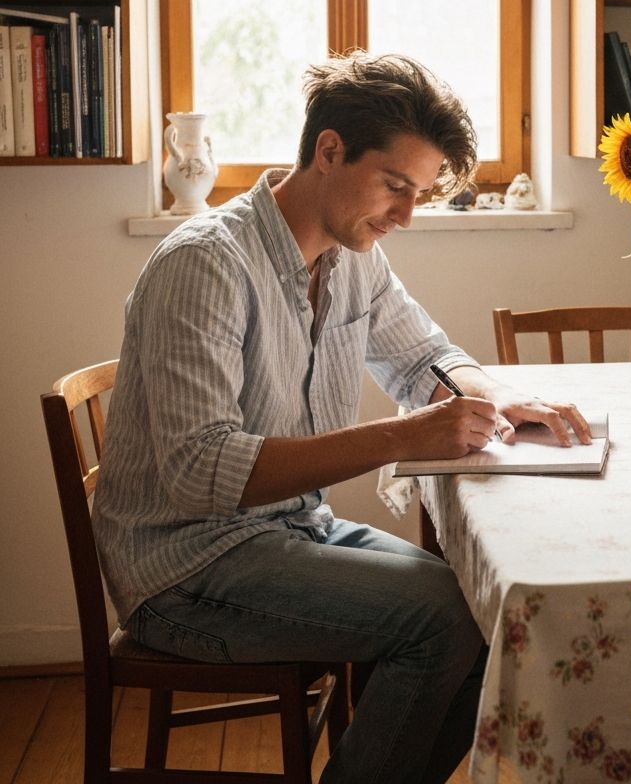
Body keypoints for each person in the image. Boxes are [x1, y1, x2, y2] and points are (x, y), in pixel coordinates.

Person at [93, 51, 591, 784]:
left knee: (492, 610)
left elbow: (423, 353)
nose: (406, 216)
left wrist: (484, 395)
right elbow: (201, 475)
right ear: (329, 150)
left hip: (290, 528)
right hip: (182, 569)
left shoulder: (352, 252)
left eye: (418, 194)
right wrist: (404, 435)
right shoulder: (204, 265)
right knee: (438, 621)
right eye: (395, 187)